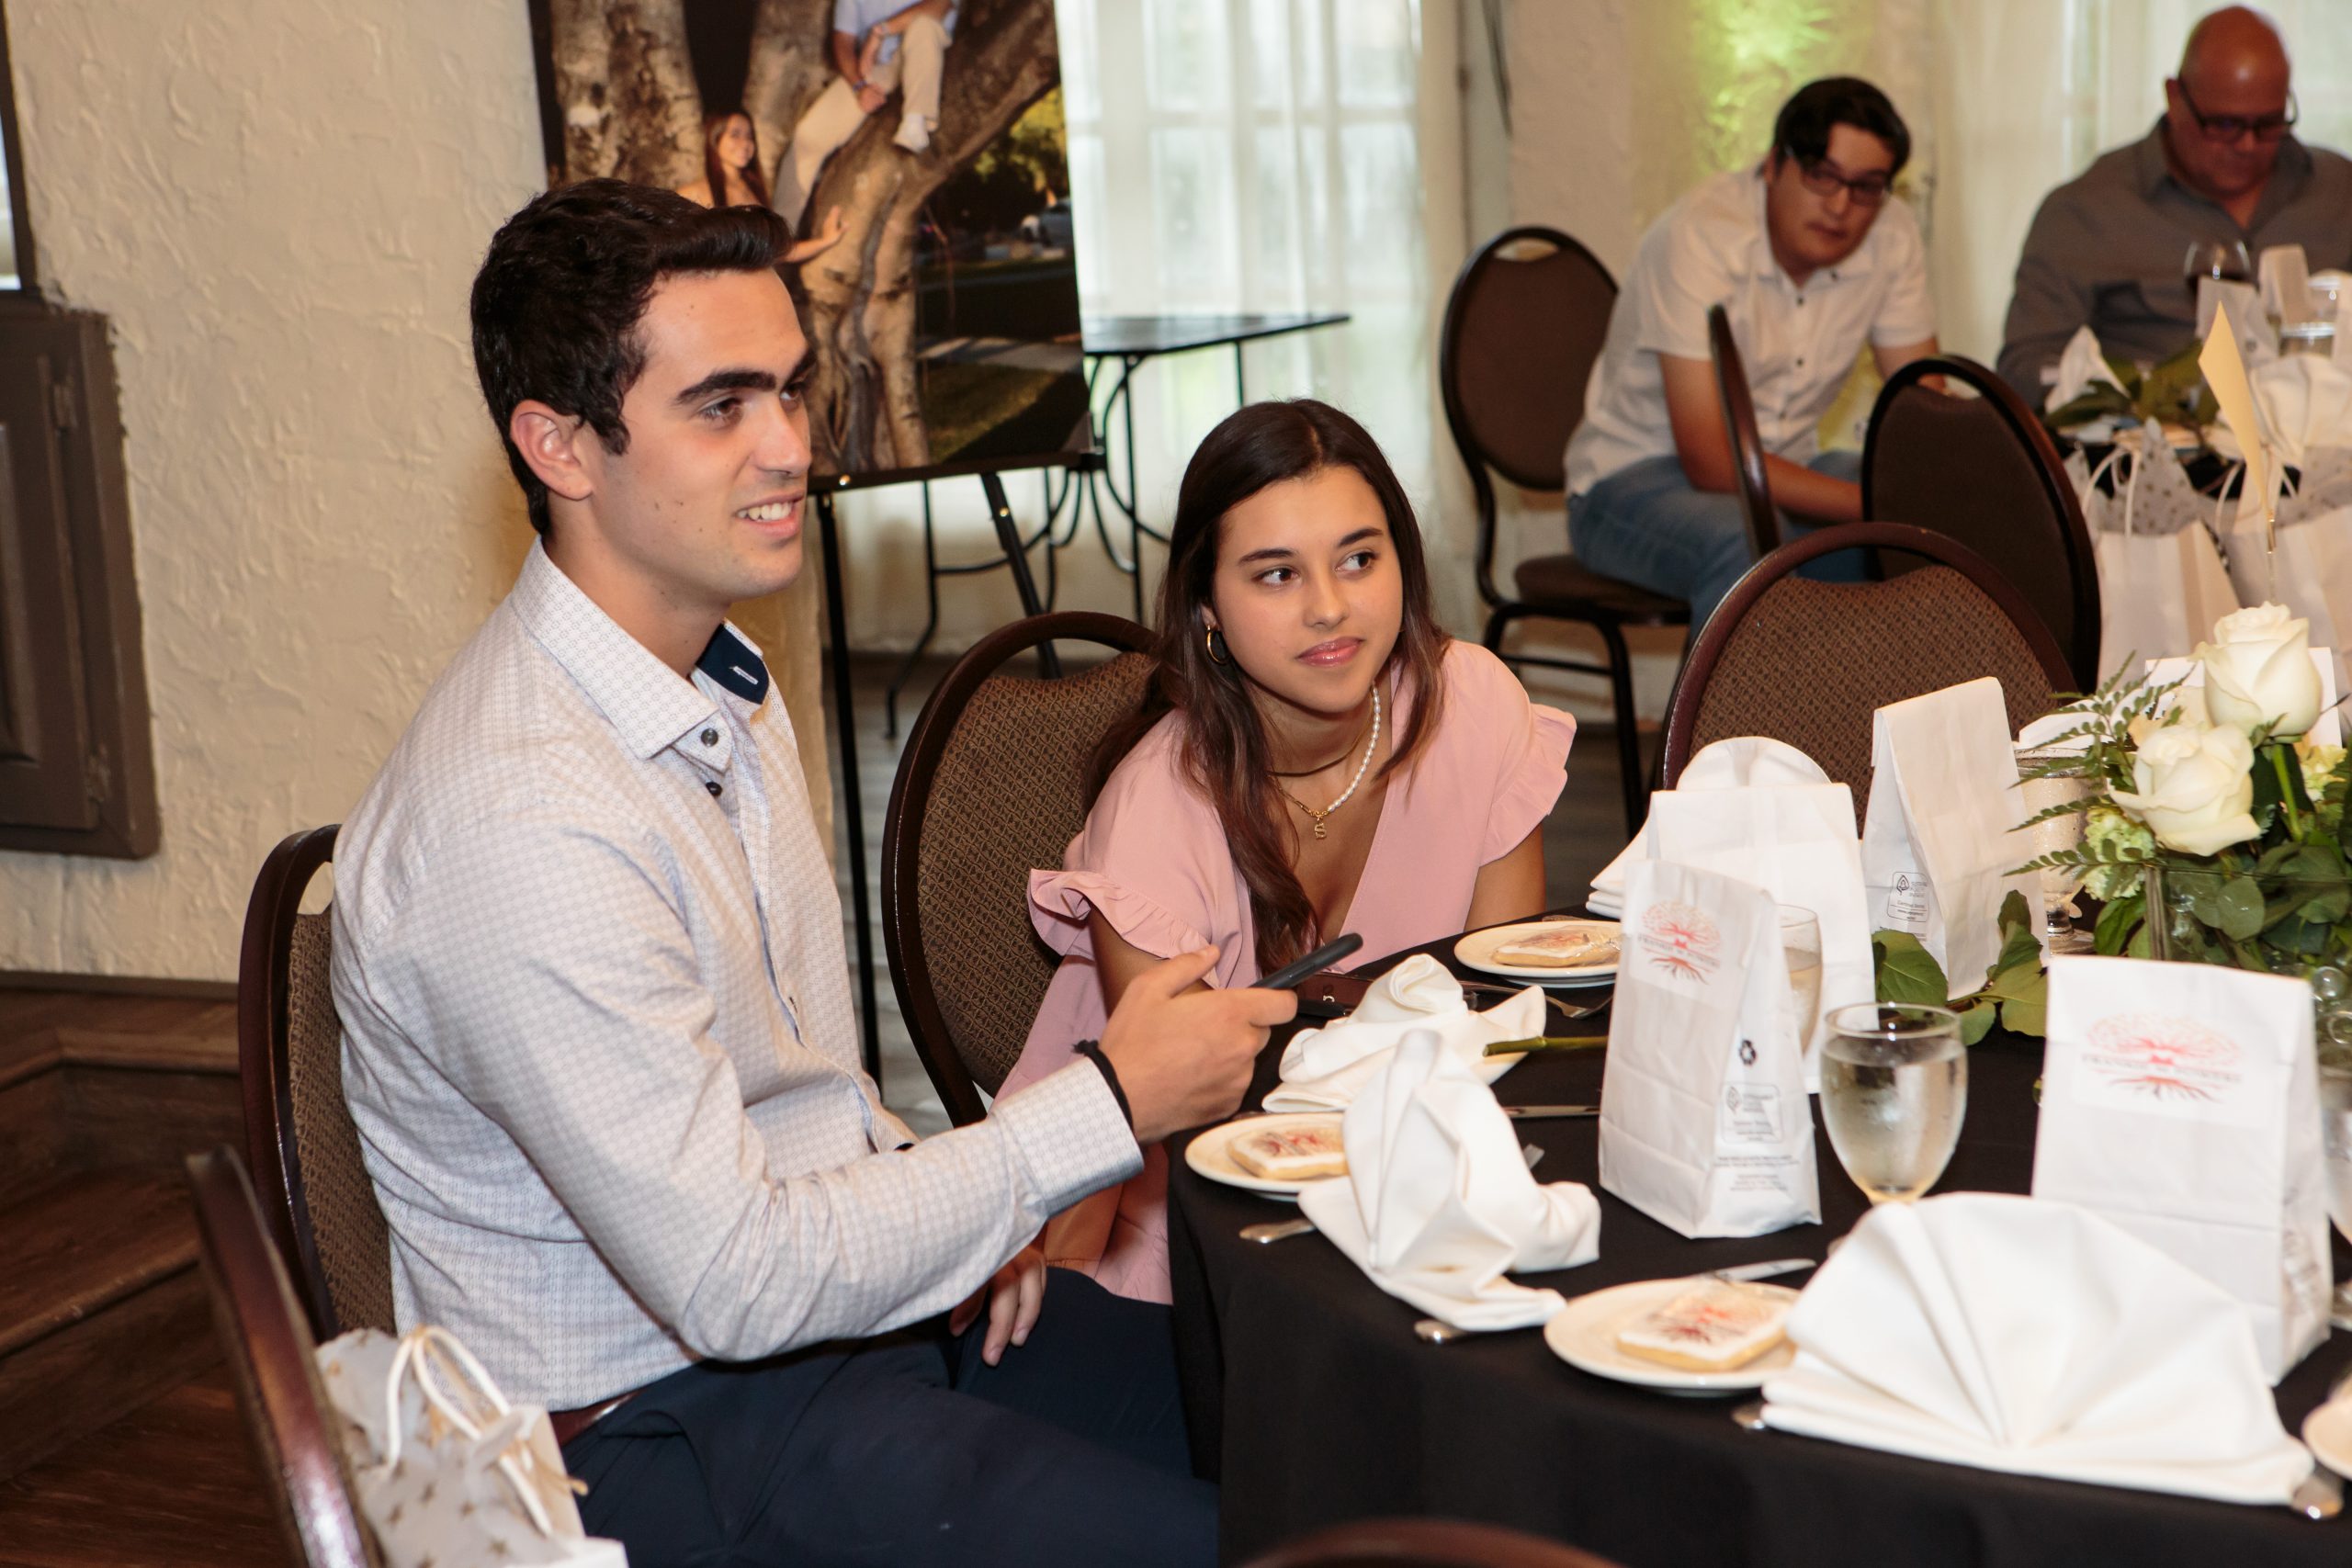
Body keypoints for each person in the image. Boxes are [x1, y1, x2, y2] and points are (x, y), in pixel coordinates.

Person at [329, 179, 1297, 1568]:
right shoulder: (522, 816)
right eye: (721, 406)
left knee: (1324, 1437)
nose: (792, 444)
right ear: (560, 445)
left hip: (819, 1339)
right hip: (648, 1442)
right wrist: (1105, 1105)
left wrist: (967, 1213)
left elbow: (797, 1112)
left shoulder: (716, 677)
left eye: (790, 388)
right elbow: (731, 1279)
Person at [998, 399, 1573, 1303]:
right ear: (1206, 608)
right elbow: (1183, 1125)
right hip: (1172, 1228)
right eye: (1276, 575)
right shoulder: (1156, 812)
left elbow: (1492, 1018)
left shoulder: (1473, 706)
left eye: (1359, 559)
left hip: (1417, 1179)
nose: (1330, 607)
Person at [1565, 77, 1939, 631]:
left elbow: (1925, 410)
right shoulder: (1699, 234)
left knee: (1930, 527)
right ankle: (1736, 698)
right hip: (1631, 481)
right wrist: (1878, 506)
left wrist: (1927, 495)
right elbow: (1711, 460)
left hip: (1787, 465)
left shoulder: (1892, 235)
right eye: (1822, 176)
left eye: (1865, 188)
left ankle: (1861, 691)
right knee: (1746, 544)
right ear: (1773, 164)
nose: (1840, 206)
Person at [1997, 6, 2352, 398]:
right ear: (2175, 98)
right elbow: (2025, 371)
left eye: (2268, 124)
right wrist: (2143, 389)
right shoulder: (2085, 212)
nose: (2248, 145)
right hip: (2153, 428)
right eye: (2226, 125)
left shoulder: (2339, 190)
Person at [776, 0, 956, 226]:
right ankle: (778, 233)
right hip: (880, 65)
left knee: (923, 27)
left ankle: (916, 120)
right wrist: (859, 86)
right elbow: (843, 39)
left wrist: (880, 31)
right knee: (808, 138)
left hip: (929, 57)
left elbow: (941, 5)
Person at [675, 108, 848, 265]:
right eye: (735, 134)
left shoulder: (753, 191)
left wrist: (825, 241)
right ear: (715, 139)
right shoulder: (693, 193)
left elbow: (780, 252)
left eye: (749, 136)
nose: (745, 143)